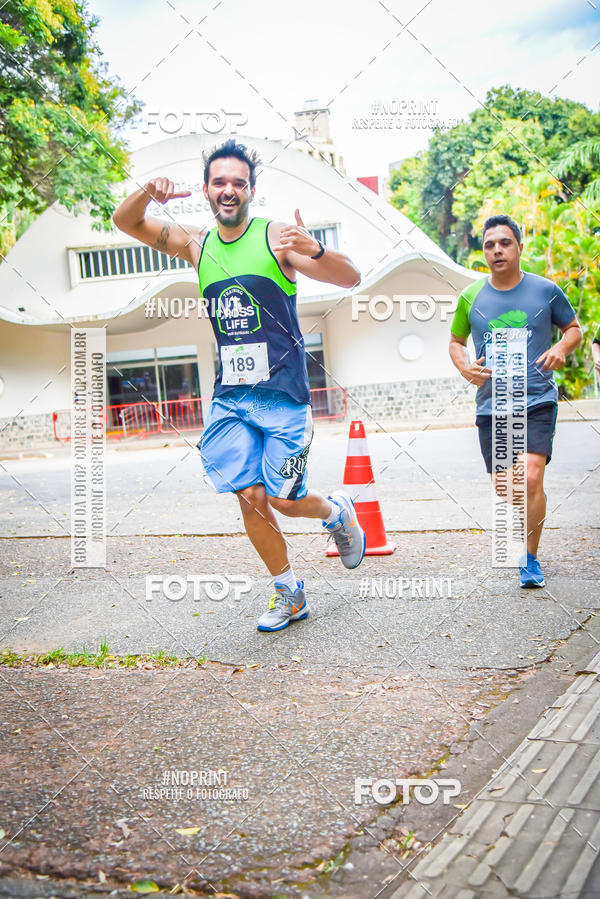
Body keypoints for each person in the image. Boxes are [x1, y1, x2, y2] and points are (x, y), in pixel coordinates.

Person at [113, 139, 366, 631]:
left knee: (286, 500)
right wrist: (146, 191)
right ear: (206, 190)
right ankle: (289, 591)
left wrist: (314, 248)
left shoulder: (276, 238)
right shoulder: (196, 243)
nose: (229, 190)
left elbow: (350, 278)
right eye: (219, 182)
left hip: (284, 394)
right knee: (250, 496)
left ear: (251, 188)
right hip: (232, 397)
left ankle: (337, 511)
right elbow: (126, 221)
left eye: (238, 182)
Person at [449, 214, 582, 588]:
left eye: (504, 243)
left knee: (531, 477)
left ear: (519, 248)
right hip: (493, 405)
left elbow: (573, 329)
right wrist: (464, 368)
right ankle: (531, 506)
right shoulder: (470, 297)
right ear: (484, 253)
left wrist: (560, 347)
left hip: (537, 399)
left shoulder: (545, 291)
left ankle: (530, 558)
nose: (497, 250)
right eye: (490, 245)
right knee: (507, 488)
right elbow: (455, 343)